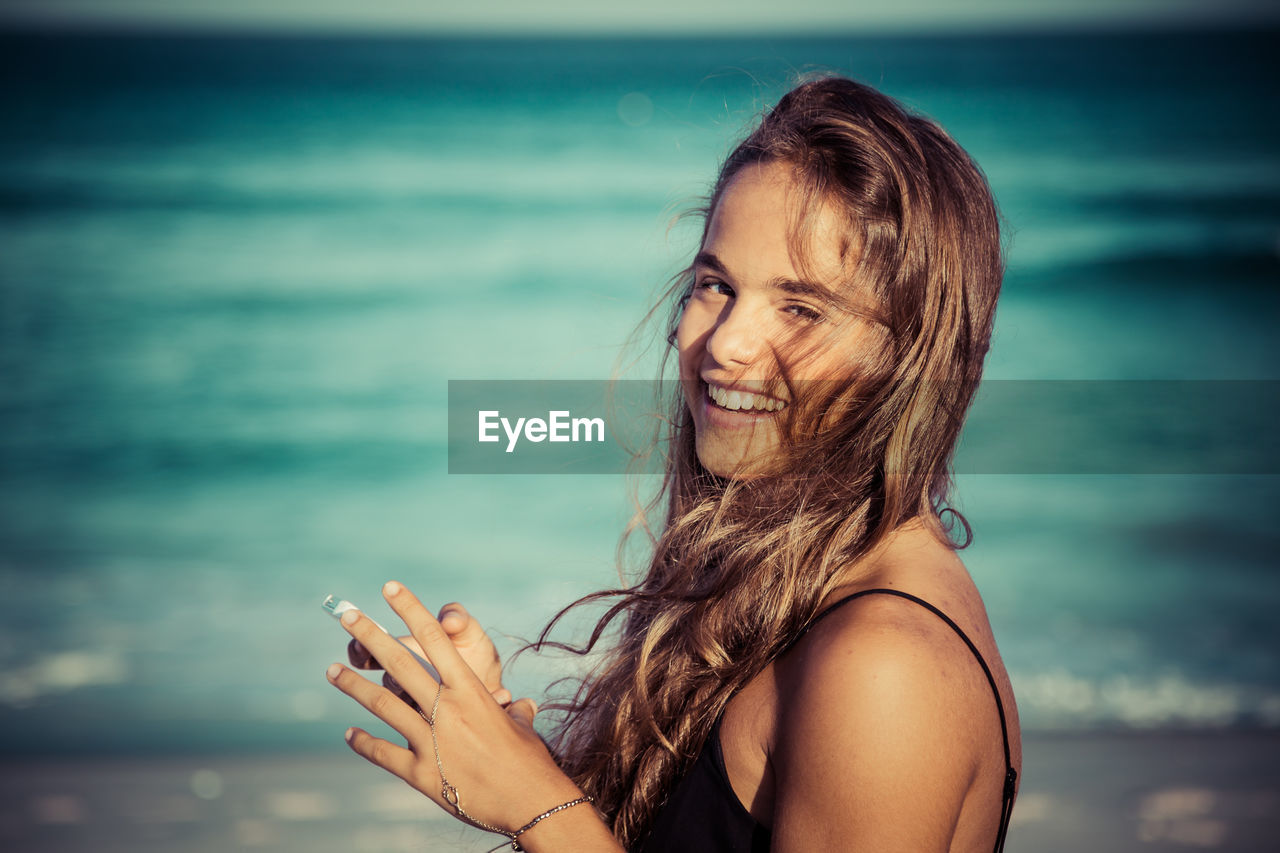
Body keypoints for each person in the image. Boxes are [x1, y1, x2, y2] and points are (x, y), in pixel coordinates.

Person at [325, 75, 1021, 852]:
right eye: (715, 285)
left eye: (800, 308)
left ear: (911, 357)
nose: (724, 344)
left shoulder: (885, 666)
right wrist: (503, 742)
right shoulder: (794, 582)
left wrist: (540, 809)